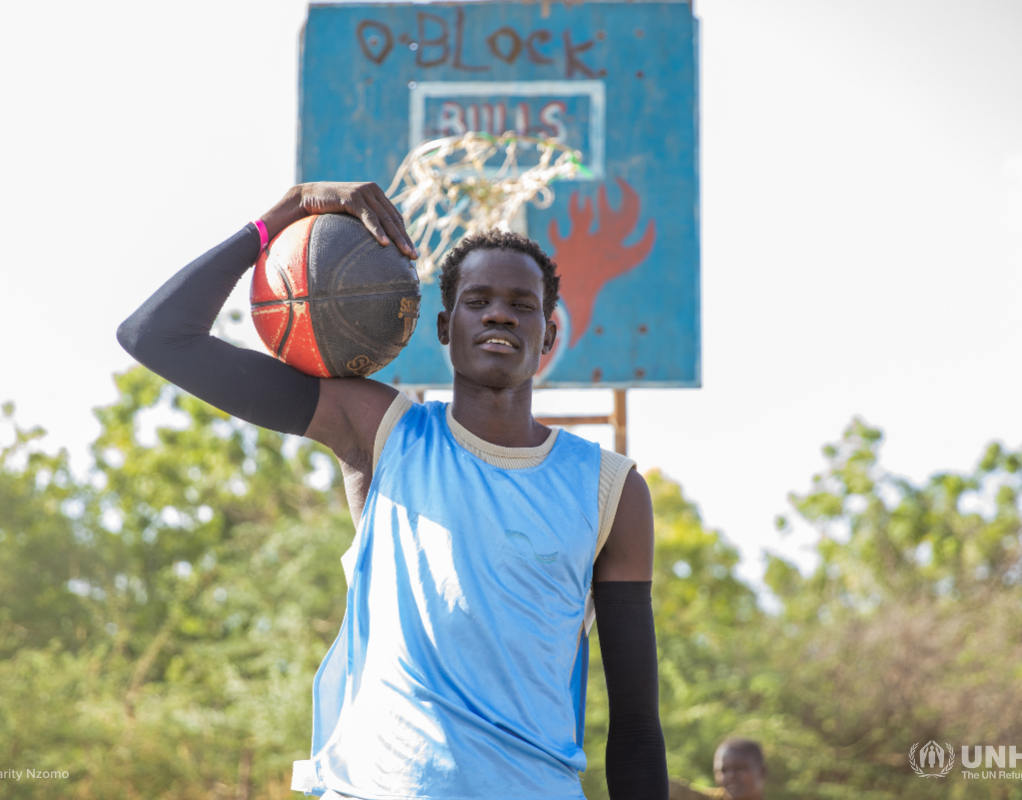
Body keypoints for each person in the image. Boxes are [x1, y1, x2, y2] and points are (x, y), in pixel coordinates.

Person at [117, 181, 668, 799]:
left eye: (523, 304)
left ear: (548, 336)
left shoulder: (609, 489)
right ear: (442, 325)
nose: (499, 313)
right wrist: (288, 213)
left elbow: (637, 729)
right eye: (477, 299)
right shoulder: (380, 433)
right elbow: (156, 336)